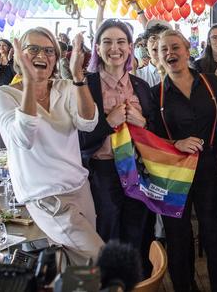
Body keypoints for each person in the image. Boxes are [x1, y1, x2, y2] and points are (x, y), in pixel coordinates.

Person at [0, 27, 104, 264]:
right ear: (18, 55)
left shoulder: (66, 87)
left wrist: (78, 78)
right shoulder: (1, 95)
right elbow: (23, 137)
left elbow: (88, 123)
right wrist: (30, 81)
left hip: (80, 188)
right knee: (102, 259)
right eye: (33, 49)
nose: (42, 55)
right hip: (47, 198)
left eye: (49, 50)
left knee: (78, 266)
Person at [151, 30, 217, 292]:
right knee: (177, 237)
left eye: (175, 47)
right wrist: (176, 143)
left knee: (213, 233)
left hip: (210, 166)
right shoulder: (156, 94)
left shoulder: (210, 83)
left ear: (187, 50)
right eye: (164, 50)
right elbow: (150, 139)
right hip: (174, 172)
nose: (169, 53)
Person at [79, 19, 155, 270]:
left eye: (121, 42)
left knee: (137, 234)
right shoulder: (86, 86)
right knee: (106, 234)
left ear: (131, 47)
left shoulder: (142, 87)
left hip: (137, 169)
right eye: (108, 42)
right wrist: (107, 123)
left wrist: (142, 123)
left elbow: (155, 135)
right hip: (102, 173)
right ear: (97, 48)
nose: (115, 48)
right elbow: (79, 139)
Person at [136, 23, 170, 87]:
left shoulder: (179, 74)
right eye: (154, 38)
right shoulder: (138, 76)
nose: (158, 42)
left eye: (163, 38)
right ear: (146, 46)